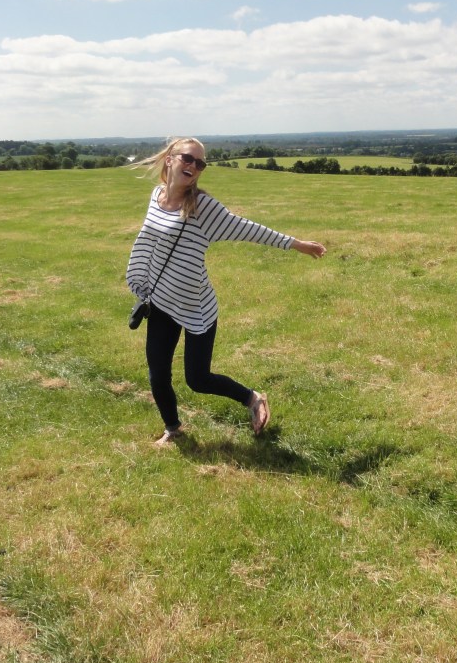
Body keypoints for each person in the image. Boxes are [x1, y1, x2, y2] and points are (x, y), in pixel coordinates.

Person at [126, 137, 326, 446]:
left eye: (200, 163)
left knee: (198, 379)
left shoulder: (202, 207)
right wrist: (142, 279)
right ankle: (173, 429)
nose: (193, 166)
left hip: (196, 306)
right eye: (188, 159)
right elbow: (149, 242)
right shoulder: (156, 196)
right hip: (162, 301)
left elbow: (247, 228)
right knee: (157, 373)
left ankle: (253, 398)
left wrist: (296, 243)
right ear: (170, 160)